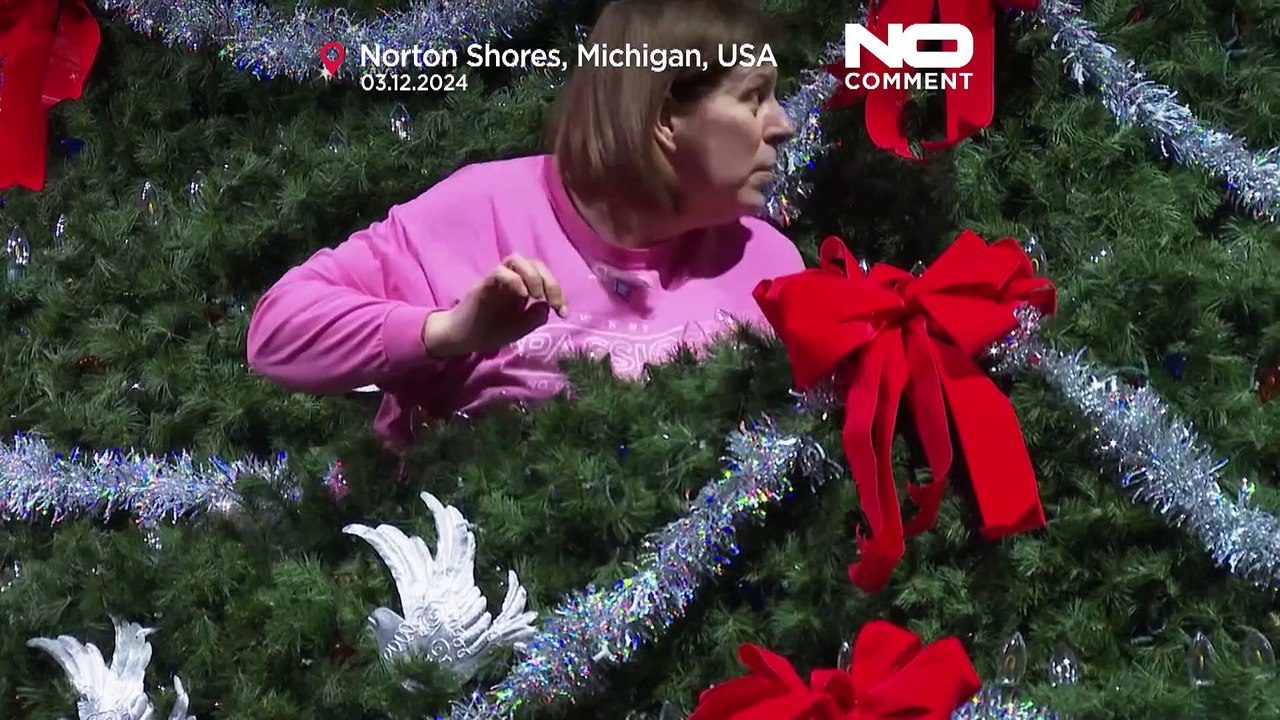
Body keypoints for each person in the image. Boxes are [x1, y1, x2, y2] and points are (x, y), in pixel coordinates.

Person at [246, 0, 804, 448]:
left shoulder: (772, 266)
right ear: (663, 117)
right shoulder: (482, 209)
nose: (783, 125)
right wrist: (446, 332)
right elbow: (275, 335)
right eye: (755, 99)